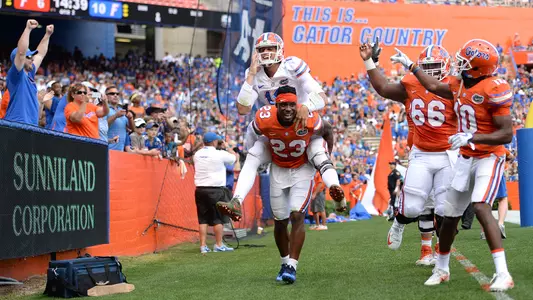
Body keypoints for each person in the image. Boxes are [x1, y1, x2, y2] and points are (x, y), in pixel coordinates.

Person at [391, 39, 514, 290]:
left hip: (488, 155)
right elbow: (434, 85)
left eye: (465, 62)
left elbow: (506, 134)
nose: (459, 64)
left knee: (480, 206)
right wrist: (413, 67)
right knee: (448, 217)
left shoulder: (495, 88)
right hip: (465, 156)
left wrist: (472, 136)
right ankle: (442, 268)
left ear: (478, 68)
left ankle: (503, 273)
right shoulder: (458, 84)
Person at [217, 32, 346, 222]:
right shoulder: (253, 73)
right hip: (275, 125)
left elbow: (322, 97)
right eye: (262, 49)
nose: (267, 53)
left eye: (271, 48)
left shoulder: (292, 65)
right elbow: (243, 109)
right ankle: (236, 202)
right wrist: (251, 74)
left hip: (302, 121)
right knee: (253, 155)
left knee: (318, 152)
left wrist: (306, 107)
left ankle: (336, 190)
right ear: (256, 53)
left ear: (280, 50)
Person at [360, 40, 457, 266]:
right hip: (422, 152)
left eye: (436, 66)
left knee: (443, 209)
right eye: (428, 66)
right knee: (414, 206)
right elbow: (383, 88)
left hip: (448, 154)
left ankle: (439, 258)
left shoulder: (454, 85)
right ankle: (399, 223)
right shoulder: (411, 83)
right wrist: (368, 62)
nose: (432, 71)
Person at [238, 86, 334, 284]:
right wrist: (259, 150)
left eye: (292, 104)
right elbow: (253, 133)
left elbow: (328, 130)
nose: (288, 109)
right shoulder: (265, 117)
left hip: (301, 167)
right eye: (283, 105)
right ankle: (284, 262)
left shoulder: (308, 116)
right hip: (279, 167)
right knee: (280, 220)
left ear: (297, 103)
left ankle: (292, 265)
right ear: (276, 105)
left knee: (297, 214)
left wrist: (329, 151)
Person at [193, 132, 238, 254]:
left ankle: (203, 246)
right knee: (218, 219)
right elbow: (235, 158)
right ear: (214, 142)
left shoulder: (197, 154)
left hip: (200, 190)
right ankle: (218, 244)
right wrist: (227, 146)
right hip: (216, 190)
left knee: (203, 219)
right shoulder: (220, 154)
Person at [6, 19, 54, 125]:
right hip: (16, 123)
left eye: (32, 56)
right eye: (29, 57)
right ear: (19, 60)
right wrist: (28, 29)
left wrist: (47, 35)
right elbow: (22, 52)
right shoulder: (16, 74)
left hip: (30, 124)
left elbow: (40, 54)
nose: (32, 59)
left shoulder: (30, 73)